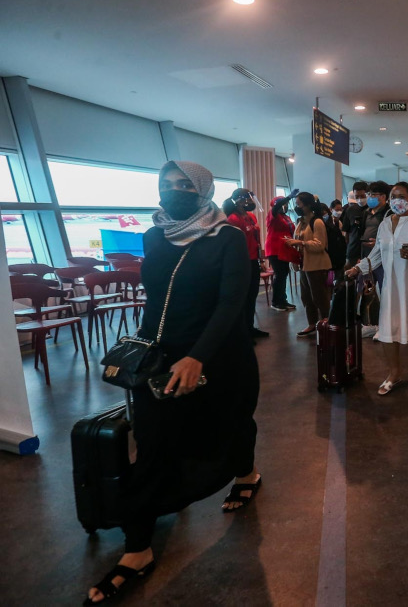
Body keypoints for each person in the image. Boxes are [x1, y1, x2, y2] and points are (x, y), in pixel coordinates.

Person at [84, 161, 260, 604]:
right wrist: (140, 352)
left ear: (203, 190)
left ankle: (247, 474)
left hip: (218, 355)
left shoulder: (228, 238)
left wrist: (198, 356)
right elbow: (156, 300)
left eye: (184, 185)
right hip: (160, 358)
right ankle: (138, 550)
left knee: (231, 423)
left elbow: (231, 302)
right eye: (166, 185)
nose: (174, 192)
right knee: (153, 442)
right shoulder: (154, 236)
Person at [346, 182, 408, 395]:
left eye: (401, 196)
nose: (396, 201)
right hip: (392, 286)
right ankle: (394, 372)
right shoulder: (384, 224)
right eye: (393, 197)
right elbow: (378, 255)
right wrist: (358, 268)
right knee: (388, 327)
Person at [284, 191, 332, 338]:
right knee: (306, 297)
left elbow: (320, 244)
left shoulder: (317, 222)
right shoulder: (301, 221)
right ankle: (312, 324)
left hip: (317, 265)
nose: (296, 206)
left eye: (299, 204)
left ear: (308, 204)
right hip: (305, 264)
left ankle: (327, 325)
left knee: (320, 297)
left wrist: (300, 243)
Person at [227, 188, 269, 338]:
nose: (250, 202)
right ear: (239, 200)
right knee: (243, 299)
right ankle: (242, 332)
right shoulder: (233, 219)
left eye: (251, 198)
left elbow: (256, 240)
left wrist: (261, 260)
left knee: (252, 296)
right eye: (248, 198)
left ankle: (250, 328)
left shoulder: (251, 216)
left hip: (253, 261)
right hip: (241, 262)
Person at [357, 180, 391, 337]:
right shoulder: (365, 213)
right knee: (368, 291)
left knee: (386, 291)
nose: (369, 197)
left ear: (383, 196)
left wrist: (378, 244)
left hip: (383, 262)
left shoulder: (389, 213)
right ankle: (370, 324)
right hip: (368, 261)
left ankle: (387, 325)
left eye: (373, 195)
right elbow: (360, 234)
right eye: (368, 194)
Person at [264, 191, 300, 312]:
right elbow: (276, 207)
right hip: (275, 249)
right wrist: (289, 196)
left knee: (284, 274)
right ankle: (276, 302)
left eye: (286, 204)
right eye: (282, 204)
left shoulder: (286, 217)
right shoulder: (272, 215)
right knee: (280, 274)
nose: (285, 206)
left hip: (284, 249)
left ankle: (283, 300)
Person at [342, 181, 370, 266]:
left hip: (369, 251)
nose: (360, 199)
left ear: (368, 194)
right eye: (357, 196)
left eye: (362, 196)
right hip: (353, 251)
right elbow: (346, 232)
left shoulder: (373, 209)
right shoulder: (350, 210)